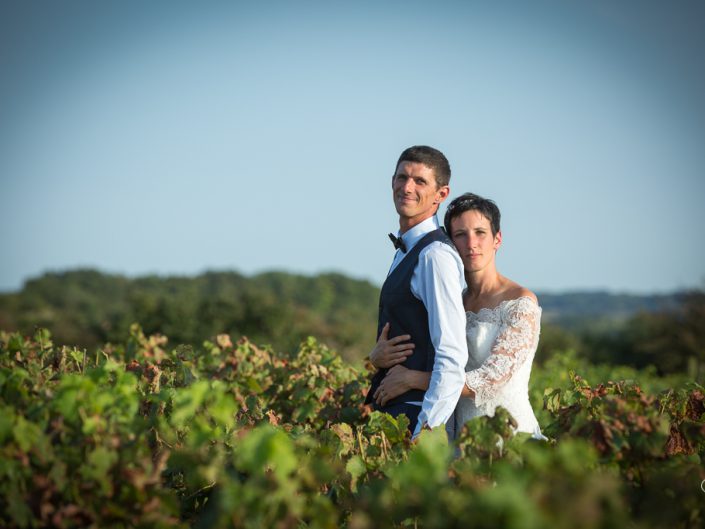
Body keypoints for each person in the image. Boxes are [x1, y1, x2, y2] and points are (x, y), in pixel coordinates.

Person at [371, 192, 545, 440]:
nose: (471, 243)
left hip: (508, 434)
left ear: (497, 239)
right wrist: (376, 358)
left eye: (480, 233)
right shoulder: (451, 302)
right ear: (451, 243)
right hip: (459, 436)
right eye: (460, 235)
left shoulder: (520, 301)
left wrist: (413, 379)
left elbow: (492, 379)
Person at [365, 146, 469, 439]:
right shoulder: (408, 249)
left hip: (415, 418)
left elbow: (451, 356)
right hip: (393, 417)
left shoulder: (435, 256)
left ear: (441, 194)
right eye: (402, 177)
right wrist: (376, 357)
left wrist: (424, 435)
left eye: (420, 181)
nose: (407, 187)